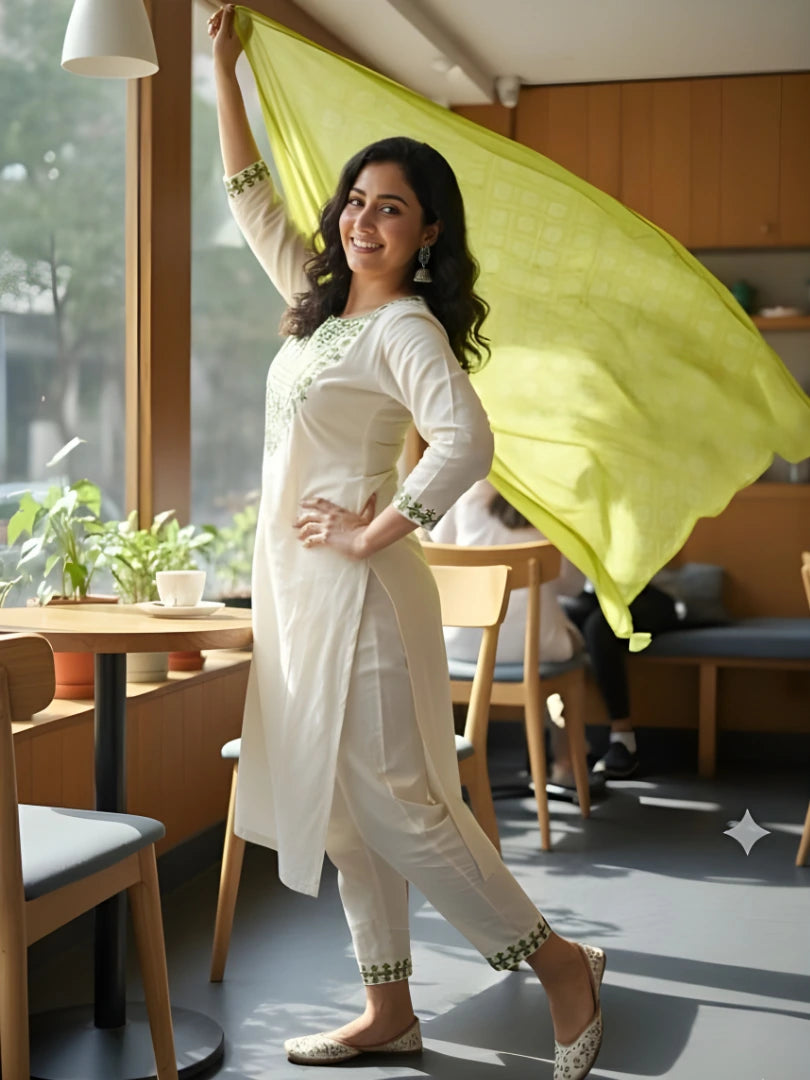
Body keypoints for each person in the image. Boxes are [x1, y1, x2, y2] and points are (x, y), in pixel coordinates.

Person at [209, 7, 604, 1078]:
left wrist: (379, 523)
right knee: (342, 812)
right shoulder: (315, 309)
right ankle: (389, 1008)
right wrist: (222, 67)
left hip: (367, 592)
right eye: (355, 201)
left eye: (391, 208)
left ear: (426, 232)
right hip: (299, 592)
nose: (362, 220)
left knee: (406, 806)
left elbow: (465, 440)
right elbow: (245, 198)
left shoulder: (405, 329)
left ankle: (562, 963)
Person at [429, 478, 602, 796]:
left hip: (462, 648)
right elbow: (573, 588)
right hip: (535, 648)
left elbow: (440, 557)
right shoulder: (556, 508)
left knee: (552, 641)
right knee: (572, 650)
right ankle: (565, 762)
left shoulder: (468, 496)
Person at [562, 583, 682, 778]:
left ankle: (623, 740)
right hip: (598, 596)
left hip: (647, 596)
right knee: (559, 617)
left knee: (599, 625)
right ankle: (565, 741)